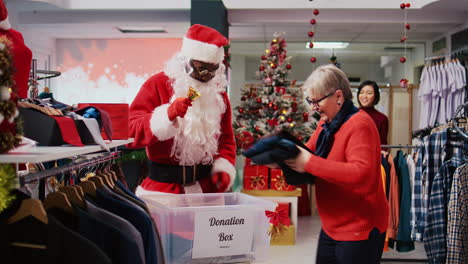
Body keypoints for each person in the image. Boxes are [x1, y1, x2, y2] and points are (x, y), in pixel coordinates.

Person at [284, 65, 389, 263]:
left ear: (339, 96)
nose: (313, 107)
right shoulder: (326, 125)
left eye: (317, 101)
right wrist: (282, 158)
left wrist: (308, 162)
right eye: (310, 101)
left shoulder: (360, 124)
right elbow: (307, 151)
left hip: (359, 228)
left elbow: (360, 173)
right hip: (333, 225)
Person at [128, 24, 236, 195]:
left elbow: (226, 140)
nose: (206, 76)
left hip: (207, 192)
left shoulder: (218, 94)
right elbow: (130, 133)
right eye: (201, 68)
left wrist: (223, 168)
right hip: (164, 191)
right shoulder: (157, 84)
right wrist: (166, 116)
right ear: (186, 60)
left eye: (213, 70)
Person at [357, 80, 389, 145]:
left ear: (375, 96)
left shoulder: (382, 118)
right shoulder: (351, 114)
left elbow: (383, 144)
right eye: (361, 92)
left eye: (369, 93)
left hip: (373, 153)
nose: (364, 96)